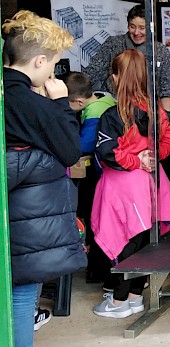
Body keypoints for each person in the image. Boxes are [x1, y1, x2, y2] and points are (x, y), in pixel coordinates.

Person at [2, 10, 85, 347]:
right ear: (38, 61)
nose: (52, 71)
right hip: (26, 218)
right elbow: (70, 150)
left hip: (15, 213)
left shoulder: (6, 91)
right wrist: (60, 104)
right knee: (21, 298)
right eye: (52, 64)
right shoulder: (27, 100)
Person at [91, 49, 170, 318]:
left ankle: (118, 302)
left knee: (124, 241)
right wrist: (152, 157)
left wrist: (138, 160)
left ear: (116, 78)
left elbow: (108, 153)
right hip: (153, 183)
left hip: (123, 185)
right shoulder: (157, 111)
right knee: (145, 239)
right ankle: (135, 296)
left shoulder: (112, 115)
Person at [65, 71, 117, 284]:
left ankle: (97, 270)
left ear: (78, 101)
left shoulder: (94, 113)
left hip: (100, 173)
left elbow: (83, 145)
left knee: (92, 218)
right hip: (108, 171)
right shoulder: (104, 98)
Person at [83, 4, 170, 111]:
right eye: (132, 26)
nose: (136, 32)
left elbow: (166, 90)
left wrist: (167, 119)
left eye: (142, 28)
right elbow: (93, 73)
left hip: (145, 111)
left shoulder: (160, 51)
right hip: (112, 107)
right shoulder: (113, 44)